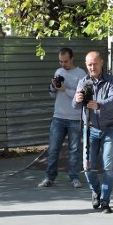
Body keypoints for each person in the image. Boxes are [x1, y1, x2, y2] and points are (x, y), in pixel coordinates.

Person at [73, 51, 113, 214]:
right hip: (89, 129)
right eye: (89, 64)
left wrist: (99, 105)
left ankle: (105, 201)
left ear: (101, 63)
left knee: (107, 166)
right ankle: (96, 191)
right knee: (88, 168)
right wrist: (77, 99)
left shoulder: (111, 80)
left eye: (94, 63)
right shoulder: (83, 81)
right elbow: (75, 105)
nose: (92, 67)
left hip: (109, 129)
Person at [39, 47, 86, 188]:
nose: (63, 64)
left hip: (74, 117)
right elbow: (52, 95)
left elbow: (80, 97)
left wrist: (65, 89)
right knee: (53, 148)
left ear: (71, 58)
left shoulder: (80, 74)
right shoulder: (58, 72)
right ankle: (49, 177)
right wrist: (53, 87)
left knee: (74, 149)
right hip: (58, 116)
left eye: (65, 61)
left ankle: (74, 177)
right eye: (60, 61)